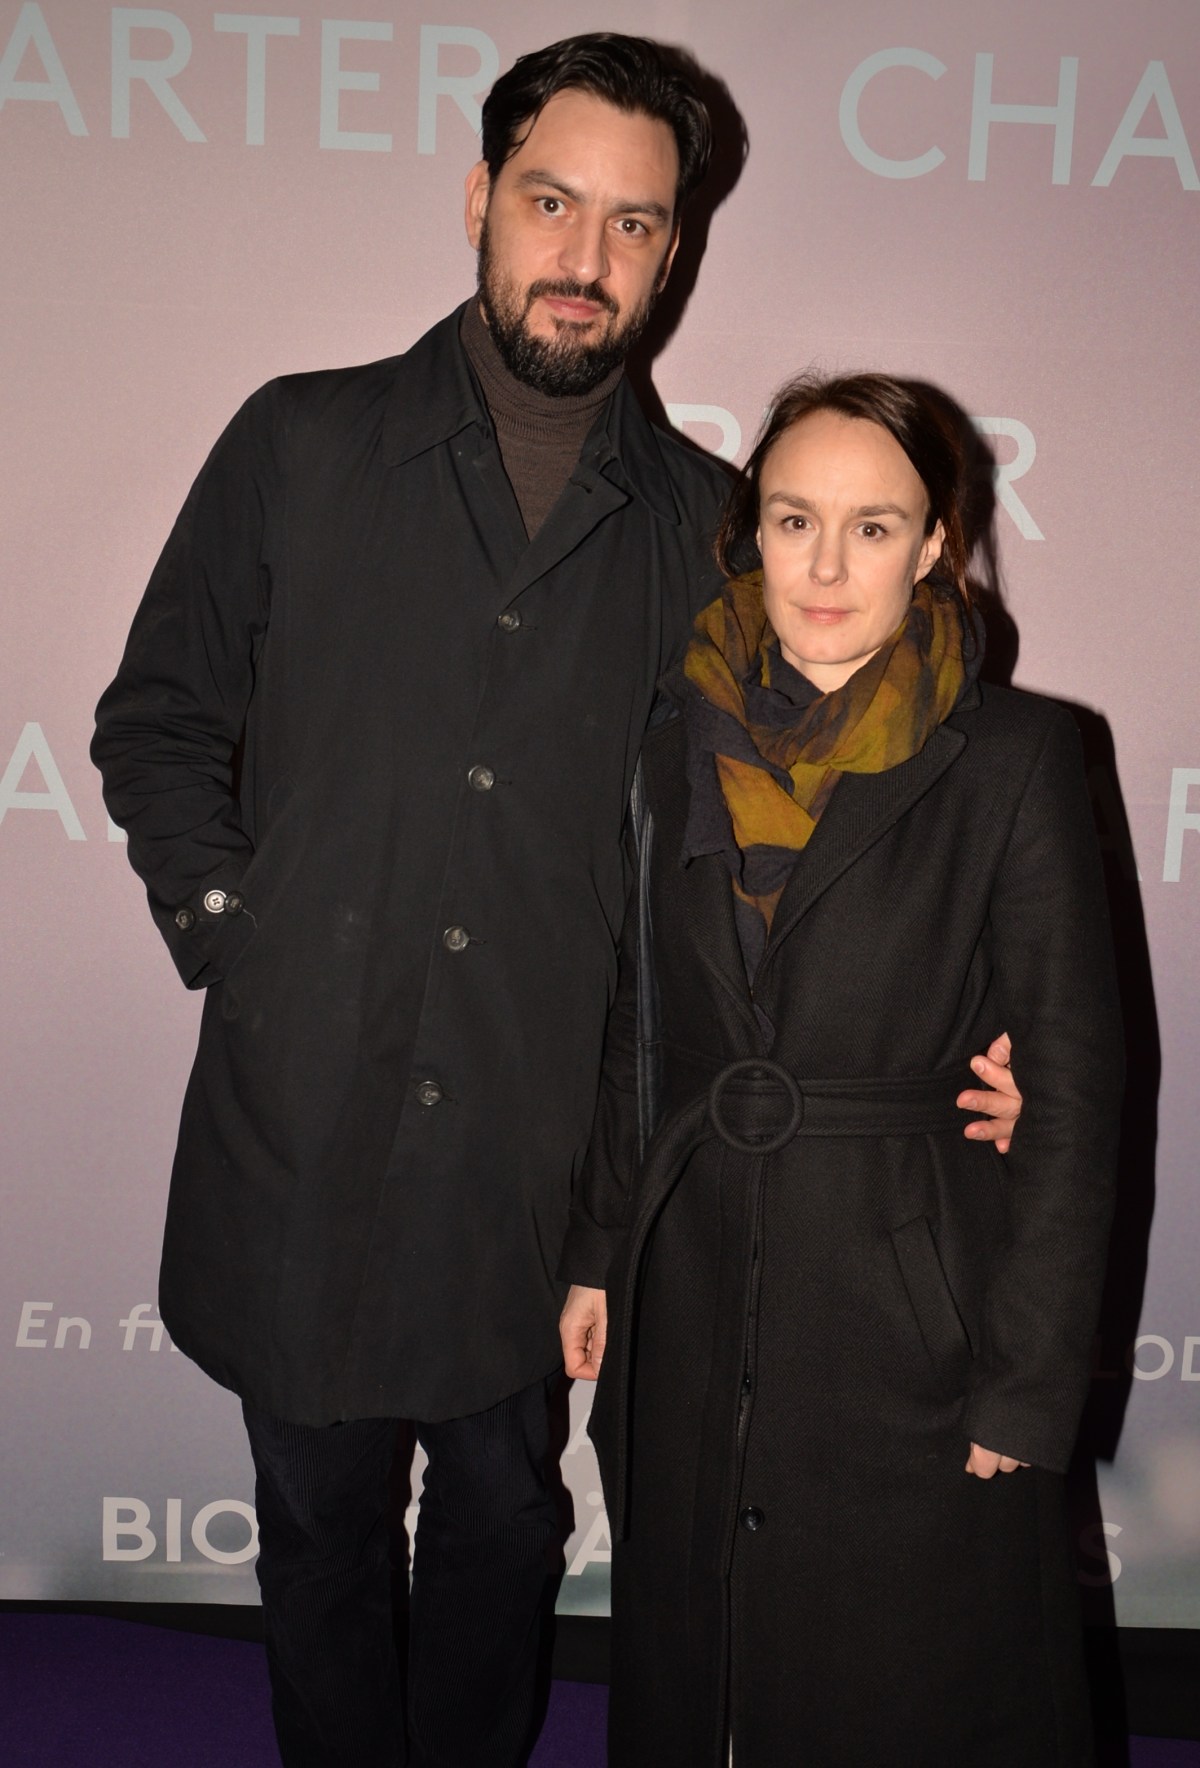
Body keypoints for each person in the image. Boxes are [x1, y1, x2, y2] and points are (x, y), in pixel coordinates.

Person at [91, 33, 1020, 1768]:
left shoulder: (709, 535)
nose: (586, 257)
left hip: (541, 1161)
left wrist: (987, 1020)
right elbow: (158, 719)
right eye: (550, 202)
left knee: (507, 1523)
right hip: (303, 1116)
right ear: (479, 201)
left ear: (675, 252)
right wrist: (237, 936)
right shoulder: (300, 442)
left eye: (635, 224)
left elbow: (810, 824)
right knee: (314, 1522)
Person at [559, 373, 1122, 1767]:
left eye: (873, 528)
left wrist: (1028, 1383)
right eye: (794, 518)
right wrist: (600, 1251)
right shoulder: (667, 743)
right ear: (749, 529)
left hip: (913, 1305)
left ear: (934, 545)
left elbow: (1074, 1090)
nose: (824, 566)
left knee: (905, 1684)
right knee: (699, 1670)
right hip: (690, 1279)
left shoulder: (1018, 759)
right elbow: (640, 1024)